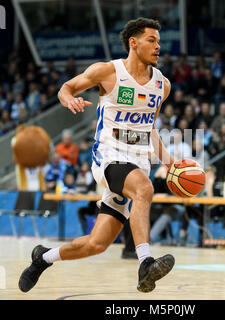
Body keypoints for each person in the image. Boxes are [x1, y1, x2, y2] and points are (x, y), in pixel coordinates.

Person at [19, 17, 175, 294]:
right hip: (108, 155)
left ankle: (42, 258)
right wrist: (70, 100)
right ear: (133, 42)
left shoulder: (162, 85)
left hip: (138, 162)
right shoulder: (107, 71)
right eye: (152, 40)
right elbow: (65, 88)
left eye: (159, 41)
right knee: (144, 188)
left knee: (97, 243)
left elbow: (150, 128)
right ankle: (145, 263)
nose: (157, 46)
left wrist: (169, 161)